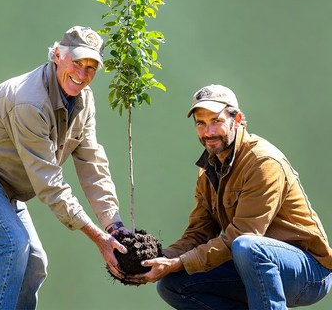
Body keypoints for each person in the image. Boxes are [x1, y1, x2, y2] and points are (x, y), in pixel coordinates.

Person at [0, 26, 128, 310]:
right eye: (77, 63)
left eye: (91, 67)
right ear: (58, 55)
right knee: (13, 244)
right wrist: (98, 237)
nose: (83, 75)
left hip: (3, 181)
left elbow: (91, 161)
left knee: (34, 262)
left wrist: (114, 223)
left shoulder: (84, 101)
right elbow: (48, 182)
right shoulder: (29, 101)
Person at [126, 84, 332, 309]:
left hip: (309, 273)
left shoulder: (263, 163)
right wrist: (162, 258)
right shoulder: (208, 169)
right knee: (173, 285)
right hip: (253, 266)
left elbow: (243, 235)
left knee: (247, 246)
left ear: (237, 119)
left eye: (216, 121)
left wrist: (178, 263)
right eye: (201, 123)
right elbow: (198, 233)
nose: (209, 132)